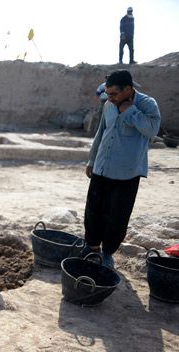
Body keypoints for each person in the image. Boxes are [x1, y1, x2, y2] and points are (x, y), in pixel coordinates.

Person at [84, 69, 160, 268]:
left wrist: (130, 111)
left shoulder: (147, 105)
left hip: (126, 173)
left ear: (128, 89)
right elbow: (101, 132)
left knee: (117, 216)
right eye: (107, 94)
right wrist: (92, 160)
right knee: (93, 210)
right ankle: (91, 248)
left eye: (114, 94)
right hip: (101, 167)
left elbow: (152, 131)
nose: (109, 98)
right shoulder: (109, 104)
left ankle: (108, 253)